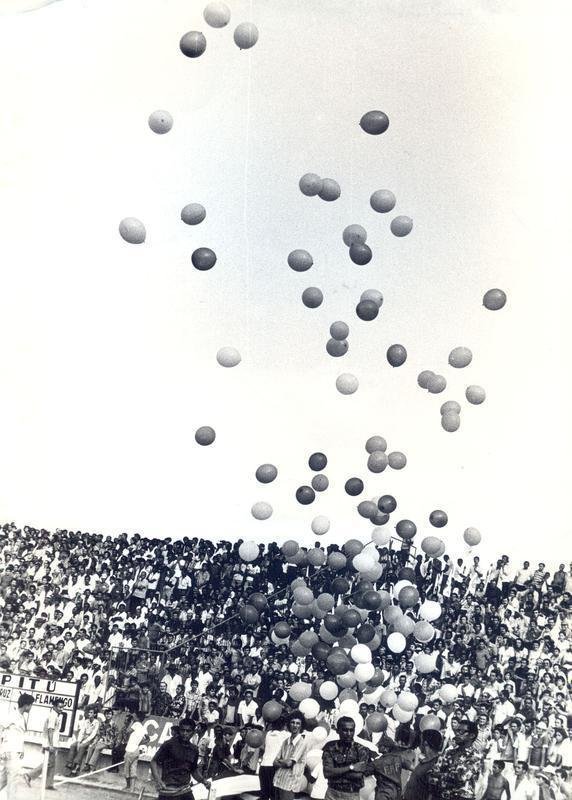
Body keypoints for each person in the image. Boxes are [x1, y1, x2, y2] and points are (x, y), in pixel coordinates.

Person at [150, 717, 211, 800]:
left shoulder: (194, 749)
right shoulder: (169, 744)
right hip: (168, 791)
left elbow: (193, 770)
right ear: (179, 730)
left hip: (184, 790)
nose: (185, 733)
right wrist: (158, 780)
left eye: (188, 731)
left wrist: (204, 781)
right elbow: (154, 761)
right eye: (183, 730)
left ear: (193, 732)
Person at [427, 719, 482, 800]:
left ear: (471, 735)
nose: (457, 733)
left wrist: (439, 776)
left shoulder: (476, 756)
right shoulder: (449, 752)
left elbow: (461, 777)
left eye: (461, 731)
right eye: (456, 730)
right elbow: (432, 773)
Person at [322, 716, 373, 800]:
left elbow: (358, 775)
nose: (349, 734)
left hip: (351, 795)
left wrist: (335, 772)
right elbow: (327, 773)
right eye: (345, 730)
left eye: (351, 730)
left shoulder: (361, 750)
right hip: (331, 794)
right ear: (338, 731)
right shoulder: (330, 747)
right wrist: (351, 767)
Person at [0, 693, 35, 799]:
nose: (31, 707)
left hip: (15, 750)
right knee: (12, 780)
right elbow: (1, 730)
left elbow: (19, 735)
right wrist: (1, 750)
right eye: (31, 705)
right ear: (26, 705)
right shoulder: (13, 715)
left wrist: (21, 749)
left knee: (4, 779)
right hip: (9, 751)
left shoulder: (21, 717)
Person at [26, 697, 65, 789]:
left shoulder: (56, 715)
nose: (61, 709)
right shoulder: (52, 716)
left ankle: (49, 784)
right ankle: (29, 775)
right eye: (59, 707)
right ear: (54, 707)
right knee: (49, 763)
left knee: (52, 764)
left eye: (63, 707)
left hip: (53, 743)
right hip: (49, 744)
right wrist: (51, 745)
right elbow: (50, 730)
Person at [371, 726, 416, 800]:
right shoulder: (400, 758)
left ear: (385, 748)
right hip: (397, 793)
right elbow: (414, 769)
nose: (378, 746)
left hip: (383, 794)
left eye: (380, 745)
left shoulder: (377, 763)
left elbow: (363, 770)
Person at [273, 711, 309, 800]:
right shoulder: (285, 741)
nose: (295, 725)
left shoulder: (302, 742)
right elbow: (274, 762)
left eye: (298, 723)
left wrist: (281, 761)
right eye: (292, 722)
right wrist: (283, 762)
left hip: (290, 783)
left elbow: (289, 763)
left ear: (301, 725)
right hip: (278, 779)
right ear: (289, 724)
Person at [403, 729, 443, 800]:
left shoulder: (435, 764)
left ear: (425, 743)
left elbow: (432, 793)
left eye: (420, 740)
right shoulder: (425, 761)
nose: (419, 744)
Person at [66, 706, 100, 775]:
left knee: (82, 746)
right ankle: (70, 763)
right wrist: (79, 741)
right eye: (89, 712)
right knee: (73, 745)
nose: (89, 714)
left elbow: (93, 734)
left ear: (94, 714)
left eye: (91, 713)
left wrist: (84, 742)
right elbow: (82, 731)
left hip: (91, 739)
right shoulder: (86, 721)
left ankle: (76, 766)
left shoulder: (96, 722)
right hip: (84, 737)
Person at [123, 710, 150, 791]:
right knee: (133, 769)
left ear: (137, 717)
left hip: (130, 750)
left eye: (134, 716)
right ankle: (132, 788)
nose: (133, 716)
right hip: (136, 750)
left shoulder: (136, 724)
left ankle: (128, 786)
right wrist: (139, 743)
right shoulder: (142, 727)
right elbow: (148, 739)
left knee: (127, 769)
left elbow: (127, 732)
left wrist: (131, 722)